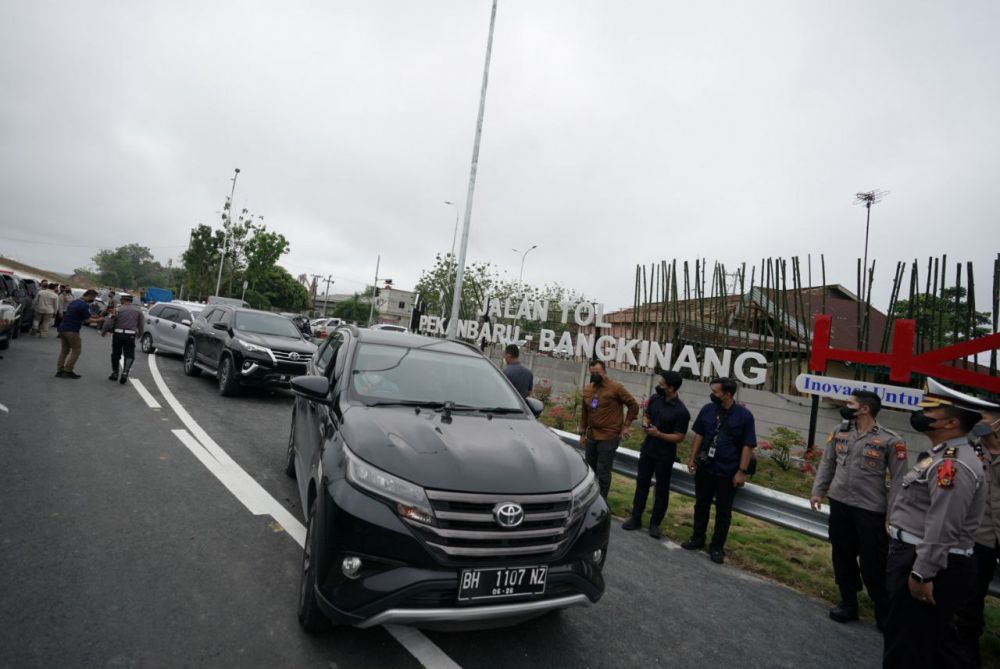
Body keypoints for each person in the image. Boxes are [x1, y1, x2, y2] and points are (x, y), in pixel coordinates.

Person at [882, 378, 994, 669]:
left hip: (929, 564)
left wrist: (922, 573)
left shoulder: (953, 463)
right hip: (920, 557)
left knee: (907, 647)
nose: (922, 415)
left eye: (931, 412)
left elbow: (944, 524)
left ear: (950, 423)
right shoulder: (940, 455)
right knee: (932, 641)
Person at [809, 390, 908, 629]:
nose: (846, 406)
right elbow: (828, 462)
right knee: (842, 555)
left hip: (870, 510)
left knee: (874, 562)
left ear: (864, 409)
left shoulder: (891, 440)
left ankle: (883, 612)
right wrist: (817, 490)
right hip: (840, 503)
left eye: (850, 403)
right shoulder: (840, 431)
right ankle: (848, 603)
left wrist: (892, 514)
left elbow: (899, 480)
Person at [684, 377, 757, 564]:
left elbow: (748, 446)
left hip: (728, 471)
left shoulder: (744, 416)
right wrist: (692, 458)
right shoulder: (708, 410)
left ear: (728, 394)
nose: (712, 395)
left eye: (716, 392)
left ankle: (717, 547)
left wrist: (741, 471)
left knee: (723, 511)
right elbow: (699, 434)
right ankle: (697, 538)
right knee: (701, 504)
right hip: (706, 467)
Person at [953, 407, 1000, 667]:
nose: (977, 423)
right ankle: (967, 651)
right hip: (978, 535)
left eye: (983, 419)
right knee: (970, 596)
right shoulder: (968, 451)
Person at [622, 370, 690, 538]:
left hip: (665, 454)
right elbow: (647, 414)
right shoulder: (655, 399)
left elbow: (679, 437)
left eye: (662, 385)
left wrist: (659, 434)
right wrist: (646, 423)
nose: (658, 386)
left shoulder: (681, 411)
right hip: (648, 449)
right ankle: (636, 518)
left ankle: (655, 524)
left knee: (661, 489)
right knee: (641, 484)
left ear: (672, 388)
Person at [578, 360, 639, 500]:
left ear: (605, 372)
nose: (595, 375)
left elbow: (633, 405)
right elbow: (584, 413)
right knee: (590, 469)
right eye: (592, 373)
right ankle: (589, 498)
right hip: (592, 435)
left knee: (603, 470)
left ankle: (601, 500)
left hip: (609, 436)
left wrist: (626, 426)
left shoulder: (616, 388)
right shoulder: (588, 389)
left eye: (597, 373)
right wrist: (582, 433)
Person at [101, 293, 144, 384]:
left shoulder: (117, 310)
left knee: (116, 354)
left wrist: (104, 331)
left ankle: (115, 373)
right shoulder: (138, 311)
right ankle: (125, 372)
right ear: (131, 301)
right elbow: (141, 325)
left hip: (118, 334)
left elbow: (109, 322)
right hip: (130, 335)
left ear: (123, 301)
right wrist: (140, 334)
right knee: (129, 354)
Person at [55, 289, 98, 379]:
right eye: (94, 297)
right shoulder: (84, 305)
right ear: (90, 296)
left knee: (64, 350)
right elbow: (87, 320)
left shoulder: (75, 302)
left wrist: (93, 316)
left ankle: (60, 370)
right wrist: (100, 320)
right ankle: (68, 370)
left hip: (63, 328)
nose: (93, 299)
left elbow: (79, 314)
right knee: (76, 350)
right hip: (72, 330)